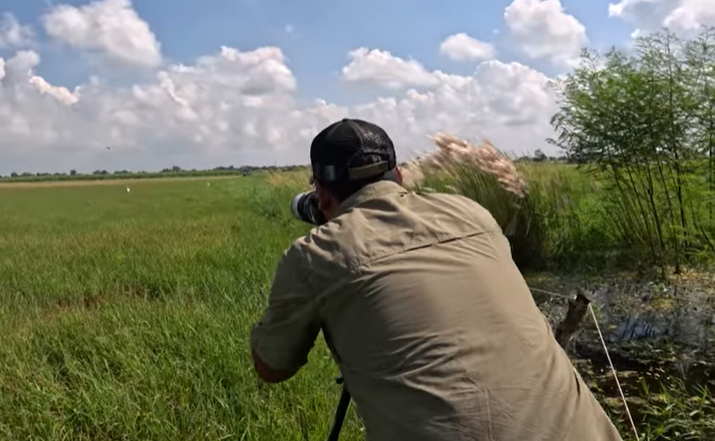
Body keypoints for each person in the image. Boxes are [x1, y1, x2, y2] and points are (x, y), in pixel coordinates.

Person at [249, 118, 624, 441]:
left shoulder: (316, 254)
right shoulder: (472, 212)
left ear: (321, 192)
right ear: (397, 175)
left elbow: (272, 366)